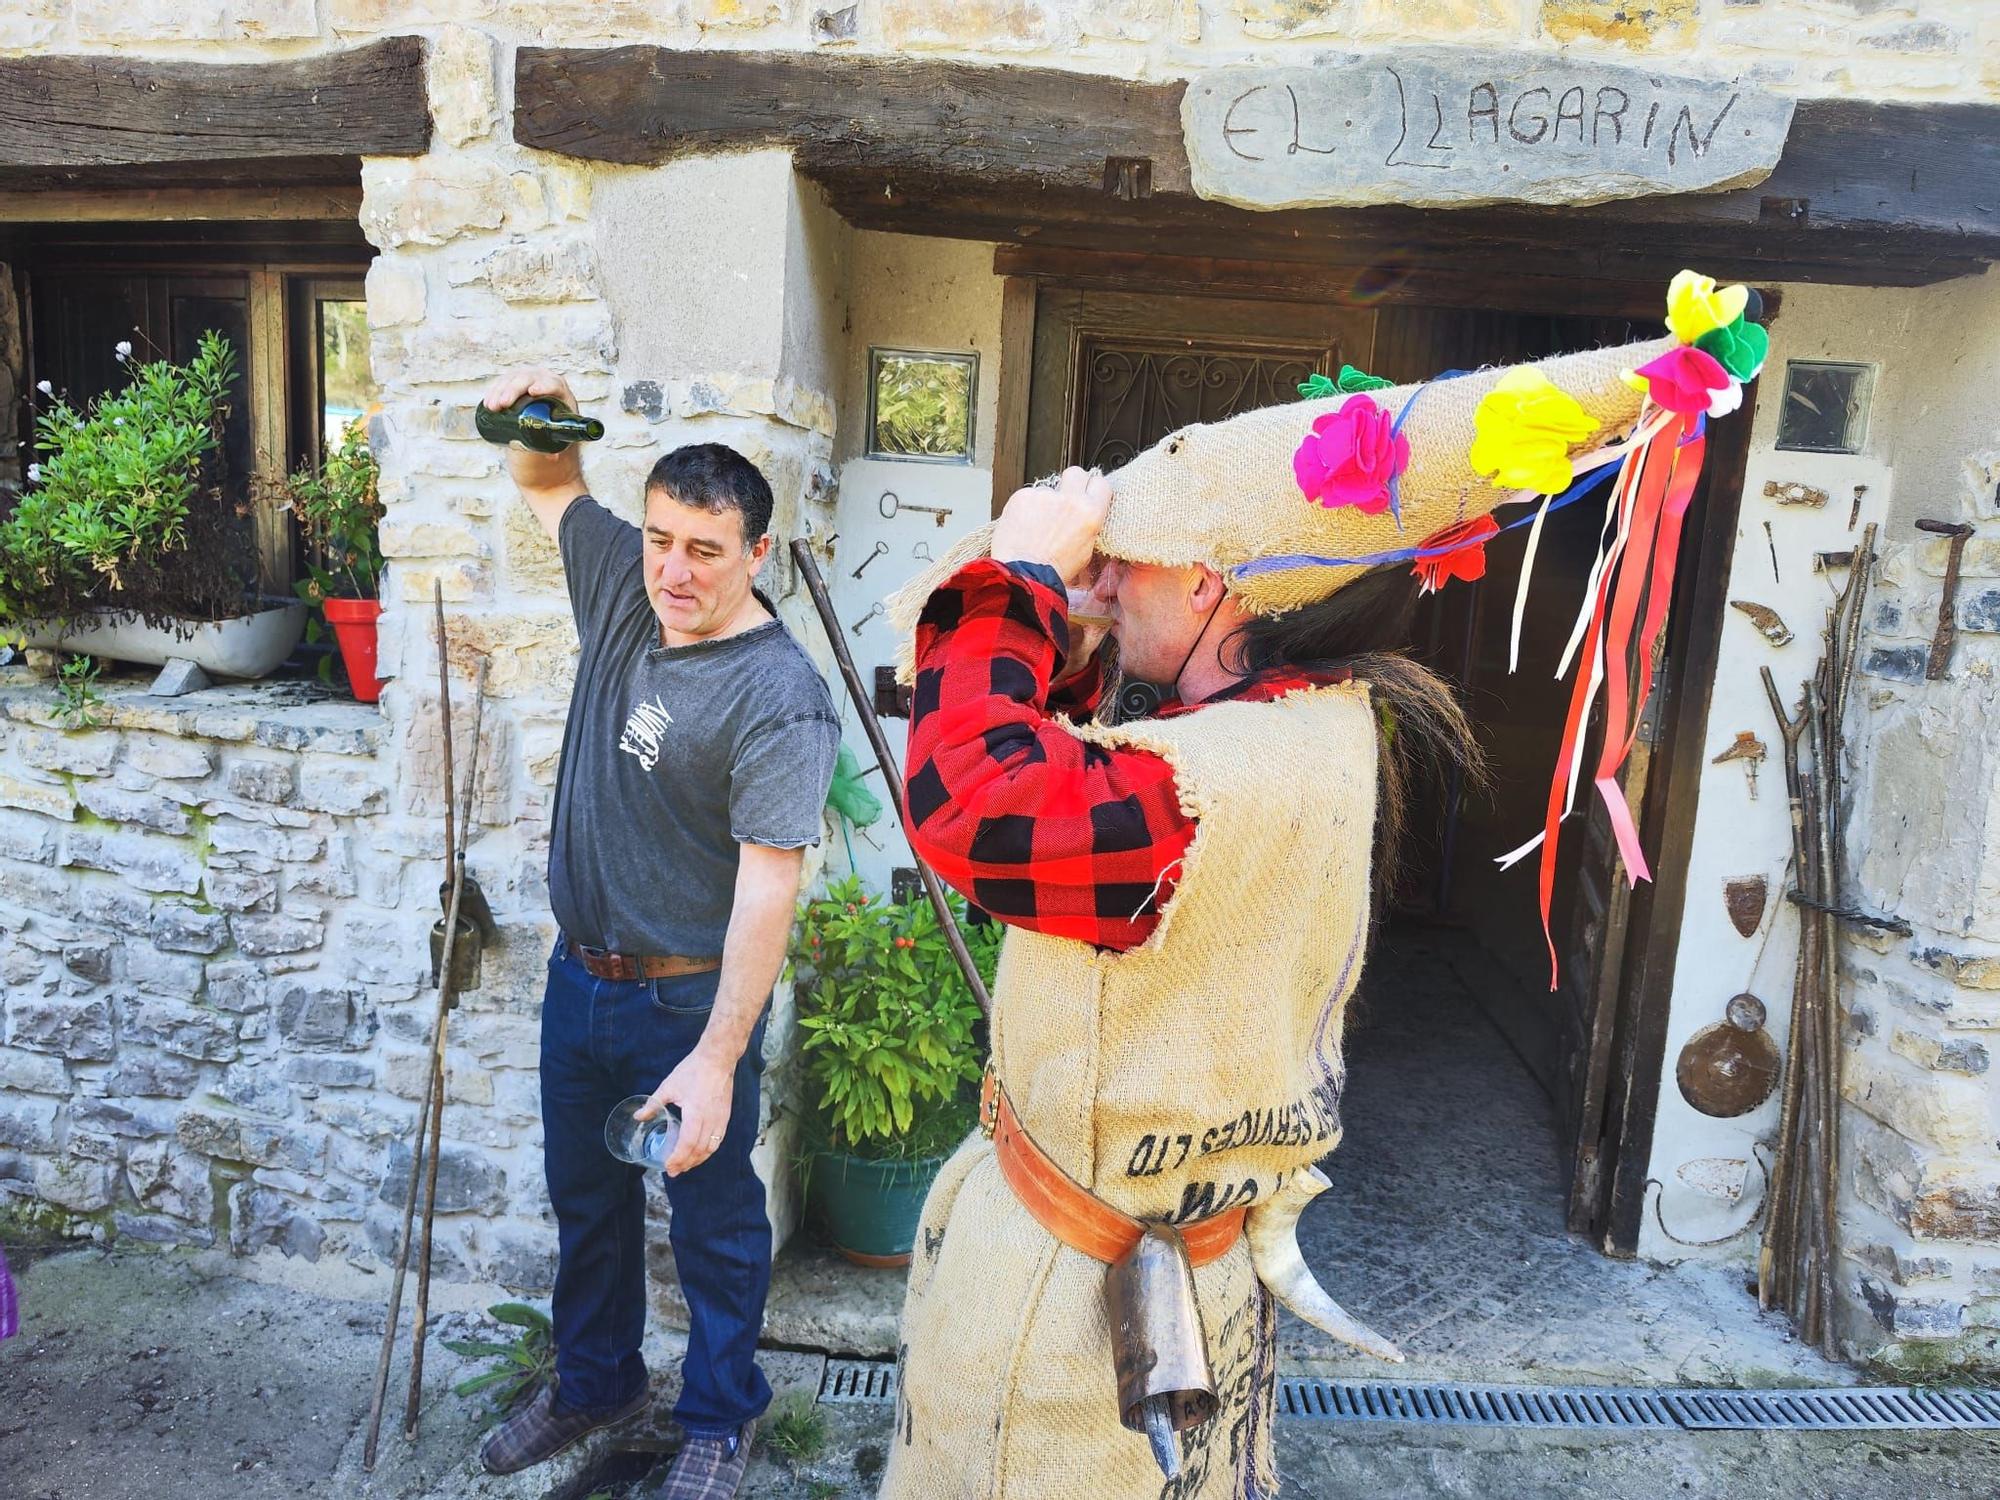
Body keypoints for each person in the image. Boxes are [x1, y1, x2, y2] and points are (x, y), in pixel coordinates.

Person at [878, 281, 1762, 1496]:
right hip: (1194, 1274)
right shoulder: (1313, 722)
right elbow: (1090, 797)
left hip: (1068, 1320)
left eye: (1130, 564)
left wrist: (1019, 575)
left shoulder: (1211, 780)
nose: (1109, 578)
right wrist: (1078, 630)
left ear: (1204, 587)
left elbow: (978, 808)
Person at [475, 369, 839, 1500]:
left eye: (705, 551)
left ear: (757, 555)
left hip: (686, 1001)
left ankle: (719, 1420)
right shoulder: (630, 591)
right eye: (661, 538)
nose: (674, 572)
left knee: (713, 1223)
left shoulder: (778, 697)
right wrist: (532, 408)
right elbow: (547, 476)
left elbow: (766, 890)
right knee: (585, 1201)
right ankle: (595, 1383)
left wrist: (718, 1058)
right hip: (578, 979)